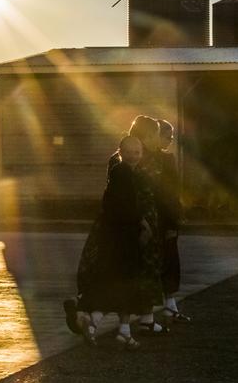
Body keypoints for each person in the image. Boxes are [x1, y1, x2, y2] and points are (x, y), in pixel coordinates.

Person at [72, 135, 158, 349]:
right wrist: (142, 223)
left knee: (118, 286)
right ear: (120, 152)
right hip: (124, 239)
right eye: (129, 152)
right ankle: (110, 327)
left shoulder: (120, 173)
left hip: (119, 237)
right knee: (125, 285)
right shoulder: (123, 174)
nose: (134, 156)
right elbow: (124, 206)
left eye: (137, 152)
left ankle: (106, 326)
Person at [156, 119, 191, 323]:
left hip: (163, 217)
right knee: (168, 261)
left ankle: (170, 304)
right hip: (162, 217)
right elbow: (172, 192)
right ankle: (169, 306)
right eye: (167, 136)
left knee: (168, 261)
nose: (170, 140)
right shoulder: (165, 161)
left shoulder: (166, 160)